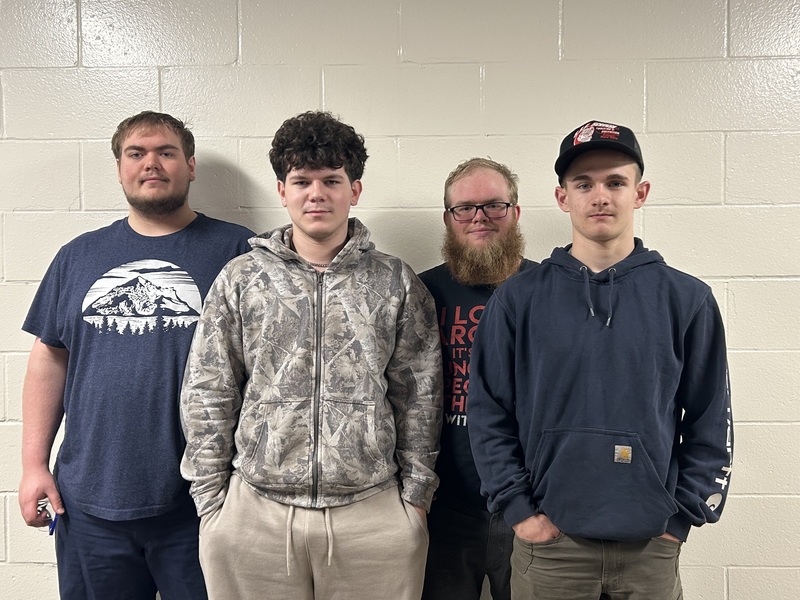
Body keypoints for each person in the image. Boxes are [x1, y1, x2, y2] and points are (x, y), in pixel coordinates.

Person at [180, 110, 443, 600]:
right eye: (301, 181)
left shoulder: (395, 282)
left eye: (331, 180)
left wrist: (415, 502)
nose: (316, 194)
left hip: (374, 516)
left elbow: (420, 395)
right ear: (282, 190)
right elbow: (208, 389)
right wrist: (211, 502)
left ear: (355, 190)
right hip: (254, 514)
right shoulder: (241, 279)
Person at [467, 121, 733, 600]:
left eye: (615, 182)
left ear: (640, 192)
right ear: (562, 196)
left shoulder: (687, 299)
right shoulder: (517, 300)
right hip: (550, 550)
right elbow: (488, 414)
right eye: (583, 184)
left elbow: (711, 421)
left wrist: (681, 518)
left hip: (651, 547)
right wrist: (520, 512)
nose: (600, 196)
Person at [18, 110, 255, 599]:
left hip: (201, 501)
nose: (152, 163)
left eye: (166, 152)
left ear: (190, 166)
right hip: (88, 504)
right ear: (120, 167)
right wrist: (33, 466)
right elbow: (49, 358)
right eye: (136, 153)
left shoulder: (238, 252)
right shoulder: (77, 256)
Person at [418, 158, 536, 600]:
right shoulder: (421, 292)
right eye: (464, 208)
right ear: (448, 219)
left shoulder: (550, 289)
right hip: (442, 506)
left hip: (530, 503)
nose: (479, 218)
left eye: (494, 206)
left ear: (516, 212)